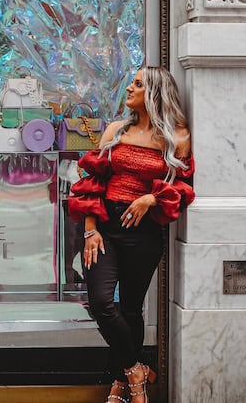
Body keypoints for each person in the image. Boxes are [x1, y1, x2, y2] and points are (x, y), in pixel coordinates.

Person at [67, 66, 195, 403]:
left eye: (137, 84)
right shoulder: (114, 130)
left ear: (153, 93)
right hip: (104, 228)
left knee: (132, 309)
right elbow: (92, 183)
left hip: (144, 233)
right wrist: (90, 231)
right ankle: (136, 369)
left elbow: (182, 187)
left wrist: (151, 197)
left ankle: (122, 385)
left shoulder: (177, 137)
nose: (129, 88)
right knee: (102, 302)